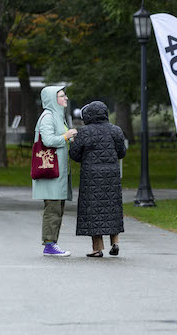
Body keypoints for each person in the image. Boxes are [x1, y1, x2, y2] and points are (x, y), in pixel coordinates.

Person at [69, 101, 127, 257]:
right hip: (112, 176)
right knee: (112, 209)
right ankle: (115, 242)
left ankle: (97, 248)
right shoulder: (116, 130)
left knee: (93, 211)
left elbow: (74, 154)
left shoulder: (84, 131)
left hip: (91, 178)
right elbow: (122, 153)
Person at [33, 86, 77, 257]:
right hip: (51, 171)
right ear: (52, 99)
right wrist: (66, 136)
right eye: (61, 96)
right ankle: (49, 245)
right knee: (53, 208)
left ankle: (52, 243)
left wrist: (70, 136)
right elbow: (48, 140)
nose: (65, 98)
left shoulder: (58, 116)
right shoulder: (48, 117)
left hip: (59, 172)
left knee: (58, 207)